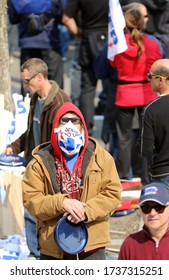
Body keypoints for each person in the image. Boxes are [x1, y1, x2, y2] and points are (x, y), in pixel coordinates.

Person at [22, 102, 122, 260]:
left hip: (92, 245)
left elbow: (112, 194)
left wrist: (86, 211)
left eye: (75, 121)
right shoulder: (39, 163)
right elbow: (32, 201)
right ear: (55, 126)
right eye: (64, 120)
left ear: (83, 126)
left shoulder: (101, 158)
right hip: (54, 247)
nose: (69, 125)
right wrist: (61, 203)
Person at [2, 58, 71, 259]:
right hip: (36, 167)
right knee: (31, 210)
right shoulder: (35, 99)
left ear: (40, 77)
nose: (24, 85)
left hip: (51, 170)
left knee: (50, 214)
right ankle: (35, 254)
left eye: (27, 81)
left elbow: (65, 144)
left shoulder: (60, 103)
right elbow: (31, 131)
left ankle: (53, 256)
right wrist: (14, 147)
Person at [109, 8, 162, 183]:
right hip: (146, 94)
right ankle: (146, 177)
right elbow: (155, 67)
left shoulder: (119, 44)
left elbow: (113, 64)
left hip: (124, 94)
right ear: (143, 22)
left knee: (123, 138)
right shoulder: (153, 44)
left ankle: (124, 178)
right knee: (147, 137)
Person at [62, 0, 108, 135]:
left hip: (88, 41)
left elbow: (66, 18)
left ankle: (87, 128)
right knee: (111, 87)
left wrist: (79, 34)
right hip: (110, 43)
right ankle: (109, 130)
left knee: (88, 87)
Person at [136, 58, 169, 218]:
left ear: (161, 80)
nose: (148, 79)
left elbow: (145, 149)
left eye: (150, 76)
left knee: (166, 228)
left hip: (163, 174)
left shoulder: (151, 110)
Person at [8, 0, 67, 97]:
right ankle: (54, 109)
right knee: (55, 84)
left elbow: (13, 18)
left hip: (27, 43)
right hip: (49, 42)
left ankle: (29, 110)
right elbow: (63, 15)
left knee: (29, 83)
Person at [118, 182, 169, 260]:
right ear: (140, 211)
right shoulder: (130, 244)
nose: (153, 213)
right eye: (146, 208)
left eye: (158, 207)